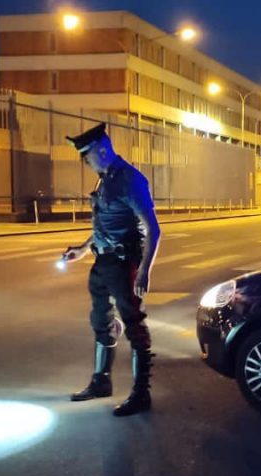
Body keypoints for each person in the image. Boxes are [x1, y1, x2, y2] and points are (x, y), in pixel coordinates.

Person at [61, 123, 161, 416]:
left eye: (87, 157)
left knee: (134, 325)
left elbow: (153, 229)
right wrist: (82, 249)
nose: (85, 163)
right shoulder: (105, 179)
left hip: (123, 264)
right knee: (100, 320)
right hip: (102, 262)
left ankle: (141, 394)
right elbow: (107, 221)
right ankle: (101, 381)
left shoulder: (130, 180)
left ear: (102, 150)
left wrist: (144, 270)